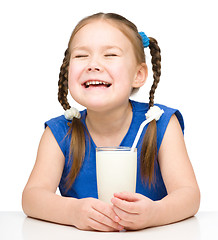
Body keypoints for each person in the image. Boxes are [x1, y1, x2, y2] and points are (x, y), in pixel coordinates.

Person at [22, 12, 200, 232]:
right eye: (81, 56)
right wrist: (72, 212)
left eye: (110, 55)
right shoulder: (59, 133)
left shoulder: (160, 124)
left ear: (139, 74)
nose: (93, 64)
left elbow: (189, 195)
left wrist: (155, 213)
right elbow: (32, 197)